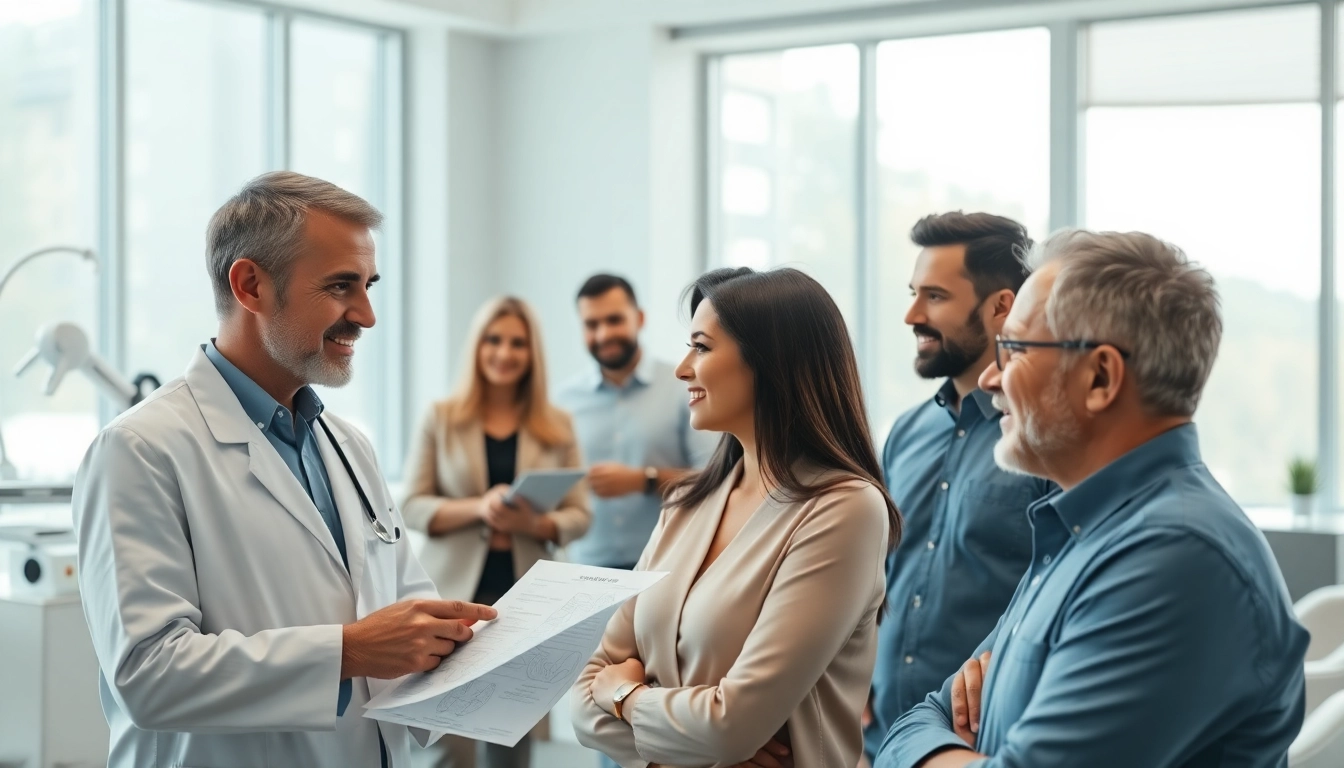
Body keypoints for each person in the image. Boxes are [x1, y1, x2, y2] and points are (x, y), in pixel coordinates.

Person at [73, 171, 495, 768]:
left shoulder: (348, 447)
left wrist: (477, 647)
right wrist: (348, 652)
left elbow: (405, 618)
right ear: (250, 286)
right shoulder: (140, 450)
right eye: (341, 286)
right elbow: (148, 674)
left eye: (369, 285)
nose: (367, 315)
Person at [874, 230, 1309, 768]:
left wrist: (927, 747)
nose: (989, 377)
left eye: (1012, 350)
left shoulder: (1174, 557)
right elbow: (917, 719)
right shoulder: (1079, 530)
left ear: (1100, 376)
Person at [571, 267, 900, 768]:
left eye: (701, 348)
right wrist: (693, 750)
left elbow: (729, 727)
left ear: (771, 362)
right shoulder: (686, 503)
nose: (682, 369)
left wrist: (625, 697)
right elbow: (581, 702)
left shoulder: (844, 509)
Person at [865, 212, 1054, 760]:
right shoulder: (906, 432)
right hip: (881, 741)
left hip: (982, 744)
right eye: (913, 294)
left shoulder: (1043, 443)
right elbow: (877, 575)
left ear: (1001, 307)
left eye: (935, 296)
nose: (912, 315)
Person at [400, 295, 591, 768]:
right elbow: (412, 506)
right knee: (451, 732)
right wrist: (478, 508)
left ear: (531, 353)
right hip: (455, 591)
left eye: (517, 343)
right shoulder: (442, 417)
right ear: (478, 345)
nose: (505, 352)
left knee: (511, 728)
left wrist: (535, 524)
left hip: (527, 594)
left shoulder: (557, 425)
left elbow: (580, 515)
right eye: (494, 340)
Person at [555, 274, 717, 571]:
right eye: (591, 324)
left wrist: (644, 480)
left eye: (614, 320)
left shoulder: (684, 386)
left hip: (668, 566)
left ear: (639, 318)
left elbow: (715, 478)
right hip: (584, 570)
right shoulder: (562, 401)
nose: (603, 334)